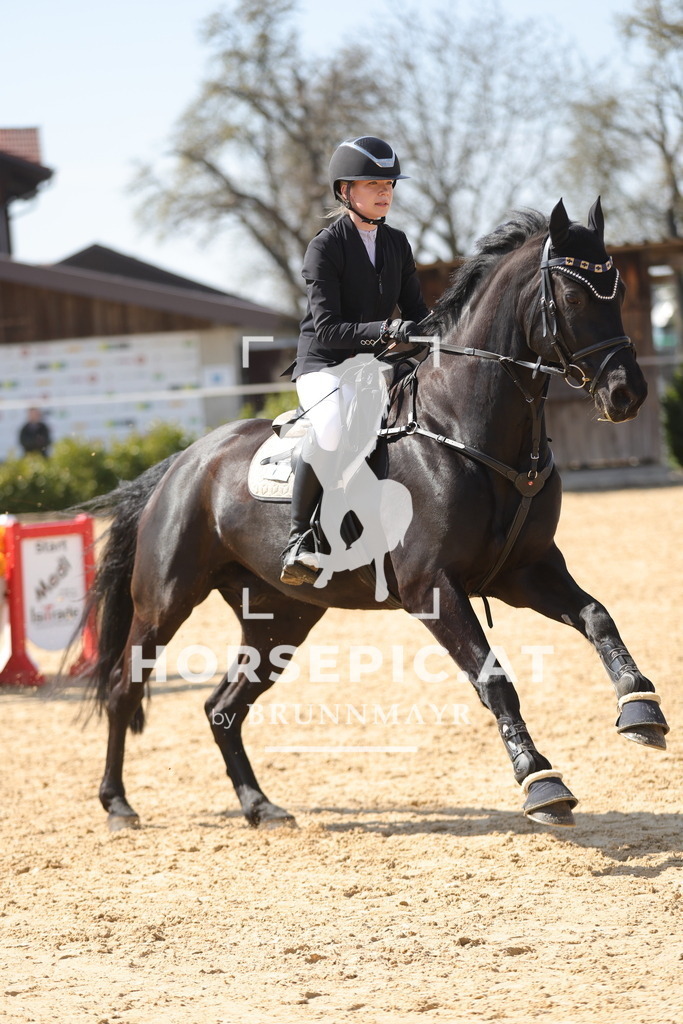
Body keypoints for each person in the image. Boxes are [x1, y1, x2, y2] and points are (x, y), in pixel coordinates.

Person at [280, 136, 429, 586]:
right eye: (373, 183)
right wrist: (387, 331)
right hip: (324, 365)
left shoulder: (397, 244)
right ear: (345, 191)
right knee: (331, 426)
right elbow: (327, 328)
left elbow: (418, 313)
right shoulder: (325, 247)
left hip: (371, 367)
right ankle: (298, 537)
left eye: (389, 184)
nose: (385, 191)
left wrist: (447, 329)